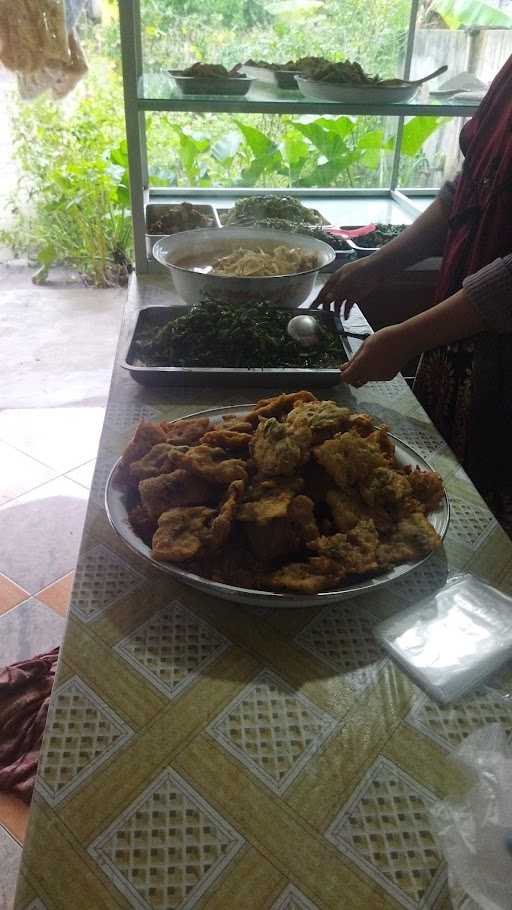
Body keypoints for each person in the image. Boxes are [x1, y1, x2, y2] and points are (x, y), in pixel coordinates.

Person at [313, 55, 512, 535]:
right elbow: (464, 192)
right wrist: (378, 265)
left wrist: (404, 339)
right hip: (462, 344)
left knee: (490, 535)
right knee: (433, 504)